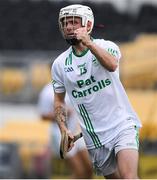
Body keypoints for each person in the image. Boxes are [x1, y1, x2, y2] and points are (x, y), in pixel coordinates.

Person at [51, 4, 142, 179]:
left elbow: (112, 64)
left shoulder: (106, 46)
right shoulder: (59, 64)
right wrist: (64, 129)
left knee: (129, 177)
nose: (68, 26)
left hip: (122, 125)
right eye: (65, 23)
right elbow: (59, 101)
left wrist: (89, 43)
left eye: (74, 22)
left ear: (88, 25)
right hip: (93, 137)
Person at [38, 82, 93, 179]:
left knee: (89, 169)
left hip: (78, 131)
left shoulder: (74, 85)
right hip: (61, 134)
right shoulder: (48, 91)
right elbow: (43, 115)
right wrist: (61, 115)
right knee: (79, 171)